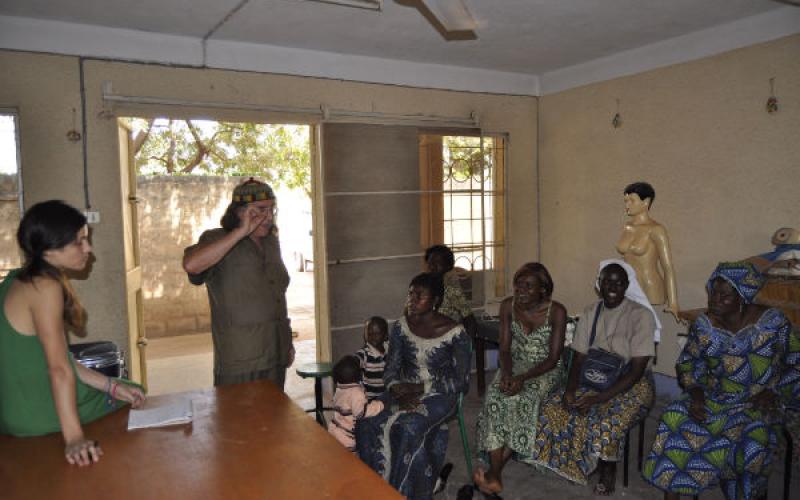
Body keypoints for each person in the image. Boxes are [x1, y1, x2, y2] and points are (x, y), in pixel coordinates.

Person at [0, 200, 145, 466]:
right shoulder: (44, 287)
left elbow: (58, 360)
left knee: (126, 388)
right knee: (136, 392)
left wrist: (111, 385)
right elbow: (59, 369)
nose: (88, 249)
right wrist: (75, 438)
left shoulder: (14, 281)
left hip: (12, 411)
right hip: (37, 413)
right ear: (50, 249)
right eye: (79, 242)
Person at [642, 261, 798, 500]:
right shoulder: (704, 326)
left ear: (743, 298)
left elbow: (796, 362)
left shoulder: (773, 324)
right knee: (673, 417)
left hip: (757, 403)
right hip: (714, 397)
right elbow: (688, 362)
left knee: (751, 447)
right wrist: (695, 392)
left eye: (724, 295)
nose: (714, 299)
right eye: (713, 291)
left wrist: (775, 391)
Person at [532, 260, 657, 495]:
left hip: (632, 383)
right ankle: (573, 464)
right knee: (553, 406)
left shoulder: (641, 316)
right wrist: (570, 390)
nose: (612, 287)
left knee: (605, 418)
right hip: (594, 375)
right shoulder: (591, 311)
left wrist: (598, 399)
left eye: (618, 283)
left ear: (626, 286)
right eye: (607, 282)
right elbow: (578, 359)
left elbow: (637, 371)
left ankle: (607, 469)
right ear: (599, 284)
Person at [356, 272, 472, 500]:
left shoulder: (455, 332)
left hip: (442, 393)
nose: (412, 299)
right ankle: (375, 489)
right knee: (366, 422)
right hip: (402, 389)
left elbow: (461, 381)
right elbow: (390, 369)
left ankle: (405, 493)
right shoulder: (400, 327)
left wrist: (419, 388)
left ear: (436, 300)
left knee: (406, 427)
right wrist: (396, 389)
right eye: (411, 293)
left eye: (420, 296)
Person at [183, 178, 295, 388]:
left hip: (275, 354)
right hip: (240, 359)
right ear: (239, 211)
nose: (268, 217)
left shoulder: (271, 242)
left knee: (274, 418)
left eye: (272, 210)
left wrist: (287, 341)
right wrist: (240, 232)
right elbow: (192, 265)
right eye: (260, 210)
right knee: (237, 418)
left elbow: (278, 295)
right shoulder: (217, 239)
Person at [473, 262, 567, 495]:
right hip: (513, 364)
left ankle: (494, 475)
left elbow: (554, 358)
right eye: (518, 286)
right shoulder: (508, 306)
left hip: (544, 369)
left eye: (528, 286)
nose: (520, 291)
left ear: (543, 290)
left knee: (522, 399)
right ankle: (495, 474)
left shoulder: (557, 311)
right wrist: (507, 375)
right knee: (496, 396)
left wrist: (522, 379)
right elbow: (504, 349)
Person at [616, 182, 680, 320]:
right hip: (629, 287)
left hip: (650, 287)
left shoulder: (656, 230)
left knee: (646, 331)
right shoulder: (626, 227)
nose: (627, 205)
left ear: (646, 202)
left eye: (632, 200)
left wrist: (673, 302)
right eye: (626, 201)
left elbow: (668, 267)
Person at [328, 355, 384, 452]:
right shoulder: (356, 392)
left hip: (334, 428)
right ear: (359, 375)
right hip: (346, 436)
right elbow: (360, 413)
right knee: (349, 461)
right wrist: (378, 405)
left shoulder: (340, 388)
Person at [424, 244, 479, 338]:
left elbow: (470, 320)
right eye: (430, 263)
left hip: (447, 342)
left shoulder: (452, 291)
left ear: (448, 266)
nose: (433, 267)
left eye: (437, 263)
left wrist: (467, 347)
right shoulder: (422, 288)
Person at [355, 316, 389, 400]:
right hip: (372, 399)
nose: (372, 337)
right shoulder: (364, 354)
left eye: (377, 333)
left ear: (385, 335)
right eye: (369, 334)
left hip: (390, 396)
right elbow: (356, 361)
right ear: (365, 335)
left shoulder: (391, 351)